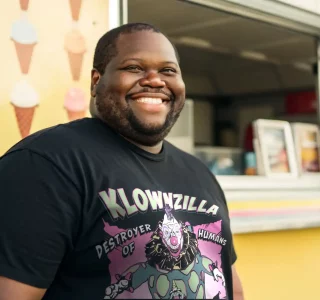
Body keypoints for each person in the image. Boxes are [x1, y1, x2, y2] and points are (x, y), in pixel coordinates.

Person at [0, 23, 244, 300]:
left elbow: (229, 282)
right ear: (96, 81)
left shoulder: (200, 173)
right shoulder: (45, 165)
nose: (155, 80)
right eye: (134, 68)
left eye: (168, 70)